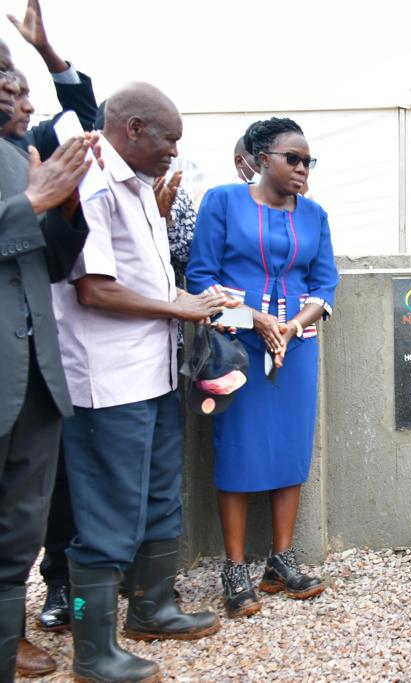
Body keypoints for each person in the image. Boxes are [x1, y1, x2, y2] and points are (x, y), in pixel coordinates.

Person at [52, 82, 228, 683]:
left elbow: (149, 286)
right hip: (108, 382)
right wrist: (179, 311)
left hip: (152, 375)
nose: (174, 152)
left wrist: (198, 300)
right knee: (106, 516)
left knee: (160, 496)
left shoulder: (138, 189)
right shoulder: (94, 184)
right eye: (168, 138)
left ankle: (152, 607)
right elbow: (94, 288)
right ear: (132, 129)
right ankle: (93, 652)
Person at [187, 117, 338, 619]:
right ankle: (235, 569)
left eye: (307, 161)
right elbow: (200, 281)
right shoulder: (222, 202)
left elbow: (325, 286)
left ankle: (281, 559)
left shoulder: (315, 215)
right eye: (292, 158)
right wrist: (253, 319)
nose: (301, 167)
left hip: (295, 348)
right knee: (238, 449)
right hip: (236, 347)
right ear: (259, 158)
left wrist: (291, 327)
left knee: (292, 448)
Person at [0, 63, 94, 683]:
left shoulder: (23, 155)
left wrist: (63, 209)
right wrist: (33, 200)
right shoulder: (23, 178)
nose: (19, 96)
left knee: (18, 536)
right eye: (4, 86)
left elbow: (53, 265)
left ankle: (7, 645)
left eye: (22, 85)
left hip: (35, 376)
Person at [1, 0, 98, 159]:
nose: (29, 107)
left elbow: (81, 117)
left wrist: (45, 50)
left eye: (27, 95)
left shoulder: (31, 146)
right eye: (19, 95)